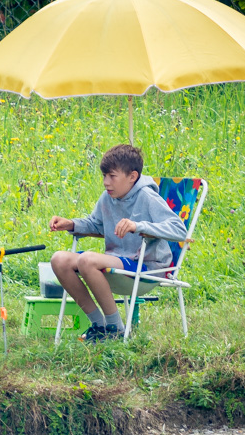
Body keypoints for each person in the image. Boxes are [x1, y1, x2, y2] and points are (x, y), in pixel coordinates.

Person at [48, 144, 187, 342]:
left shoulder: (147, 197)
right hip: (118, 262)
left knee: (87, 260)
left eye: (112, 176)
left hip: (146, 268)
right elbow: (96, 224)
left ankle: (116, 328)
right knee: (59, 259)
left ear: (132, 176)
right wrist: (70, 224)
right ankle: (99, 324)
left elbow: (179, 229)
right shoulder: (108, 198)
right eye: (104, 176)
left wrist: (139, 226)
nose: (106, 182)